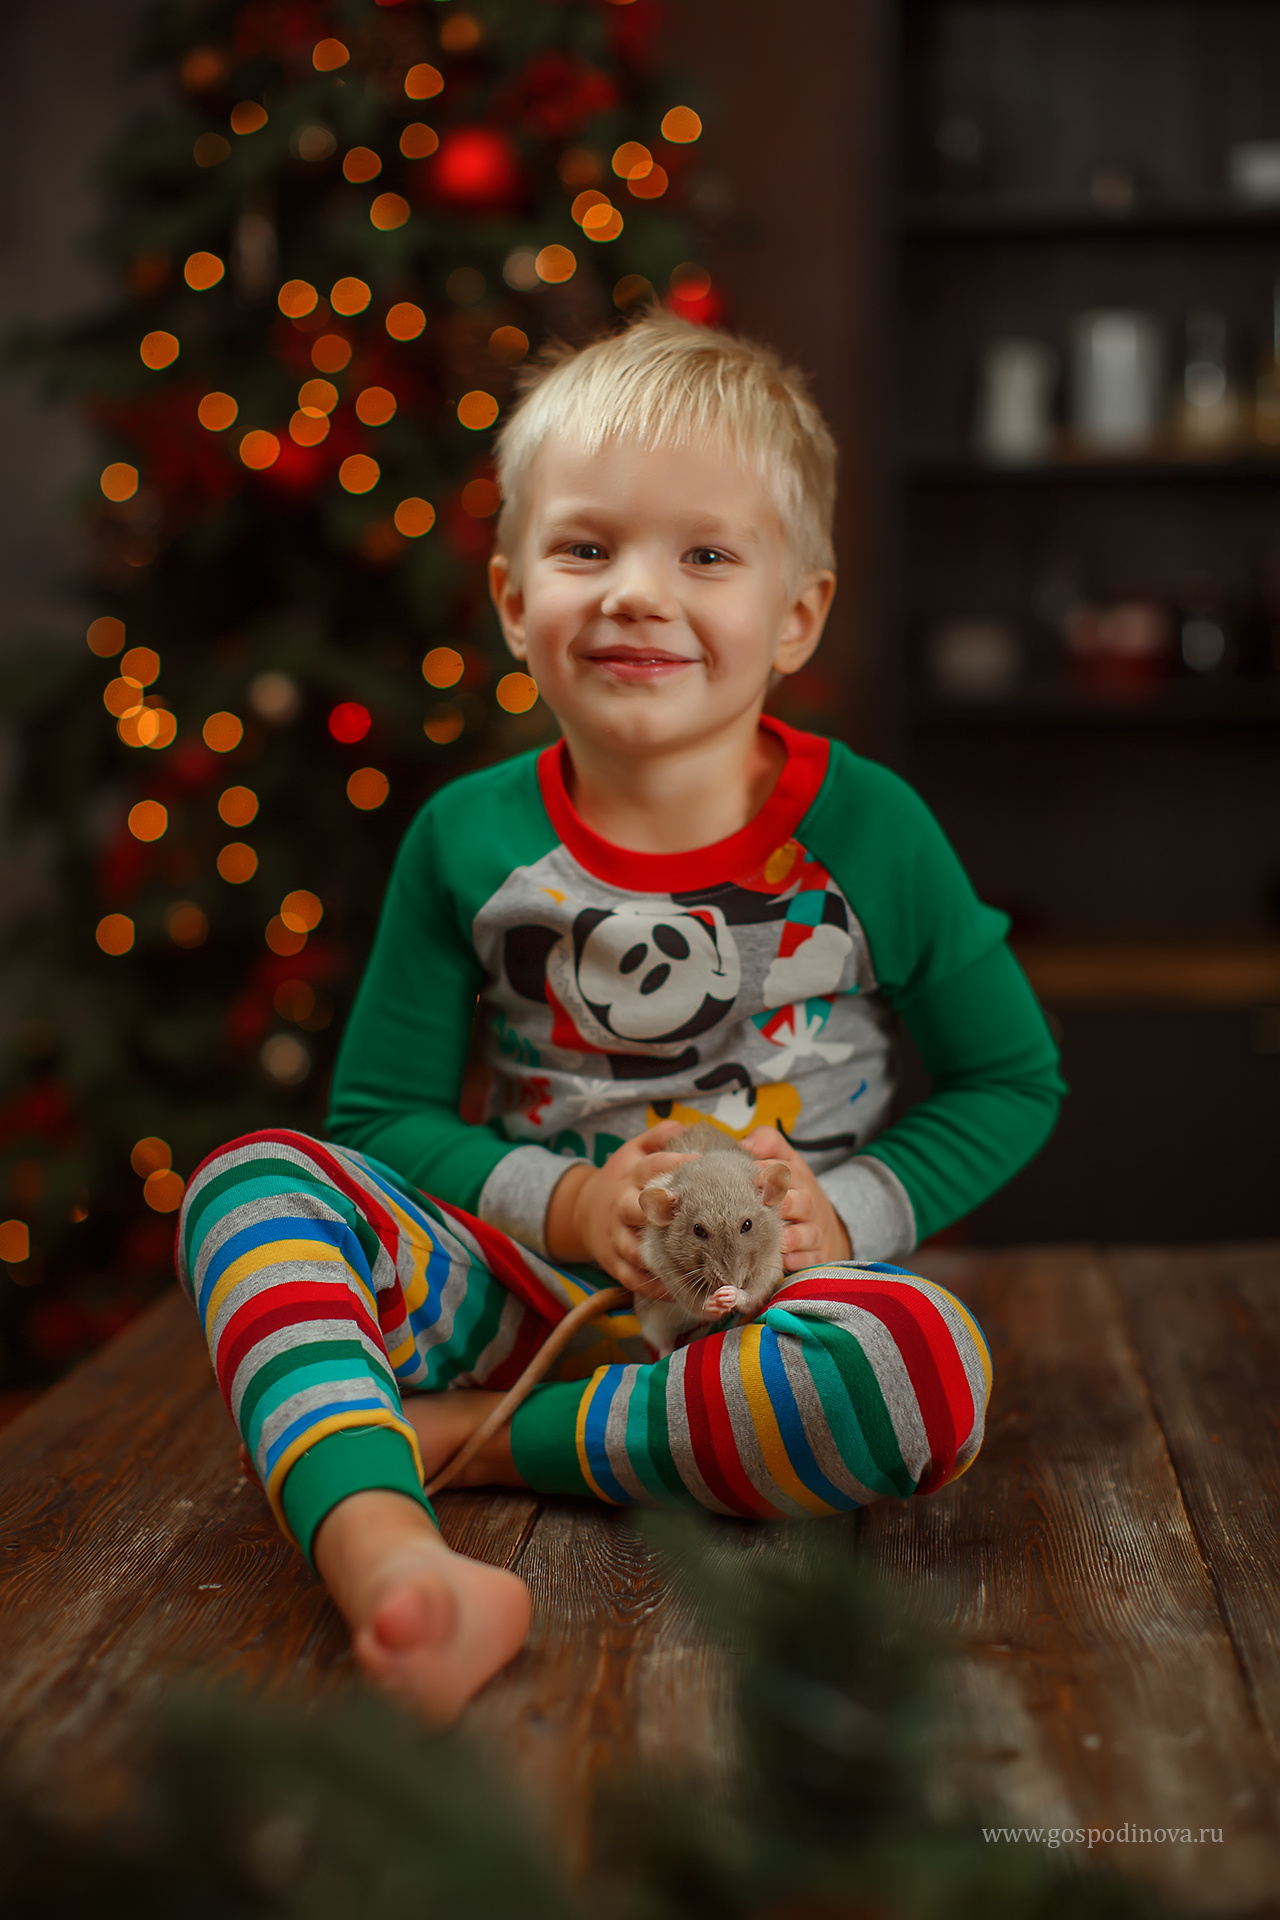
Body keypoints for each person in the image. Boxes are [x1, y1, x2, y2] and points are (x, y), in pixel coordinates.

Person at [178, 314, 1064, 1724]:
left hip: (762, 1306)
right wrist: (575, 1210)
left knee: (920, 1373)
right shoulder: (466, 841)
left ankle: (485, 1444)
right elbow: (380, 1121)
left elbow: (1011, 1082)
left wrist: (845, 1218)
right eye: (588, 549)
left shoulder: (870, 831)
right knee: (251, 1187)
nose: (638, 595)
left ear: (797, 615)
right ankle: (391, 1556)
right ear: (515, 598)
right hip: (523, 1289)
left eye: (705, 556)